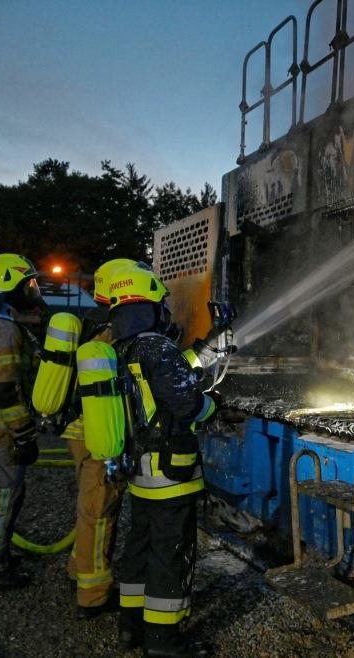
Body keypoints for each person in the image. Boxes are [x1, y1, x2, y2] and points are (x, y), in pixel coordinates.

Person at [104, 261, 219, 657]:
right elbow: (188, 404)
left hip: (139, 472)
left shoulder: (121, 348)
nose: (165, 311)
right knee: (170, 553)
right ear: (148, 306)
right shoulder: (157, 347)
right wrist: (213, 405)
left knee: (139, 546)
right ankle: (163, 640)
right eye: (160, 304)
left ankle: (130, 627)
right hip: (170, 472)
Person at [59, 258, 137, 619]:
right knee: (100, 512)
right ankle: (92, 596)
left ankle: (79, 570)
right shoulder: (115, 329)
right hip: (98, 431)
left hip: (79, 427)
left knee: (89, 508)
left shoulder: (93, 321)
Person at [0, 252, 45, 591]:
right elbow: (5, 390)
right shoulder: (1, 329)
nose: (34, 289)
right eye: (29, 283)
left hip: (1, 426)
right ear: (9, 284)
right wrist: (24, 434)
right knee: (0, 498)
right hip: (2, 428)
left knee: (9, 494)